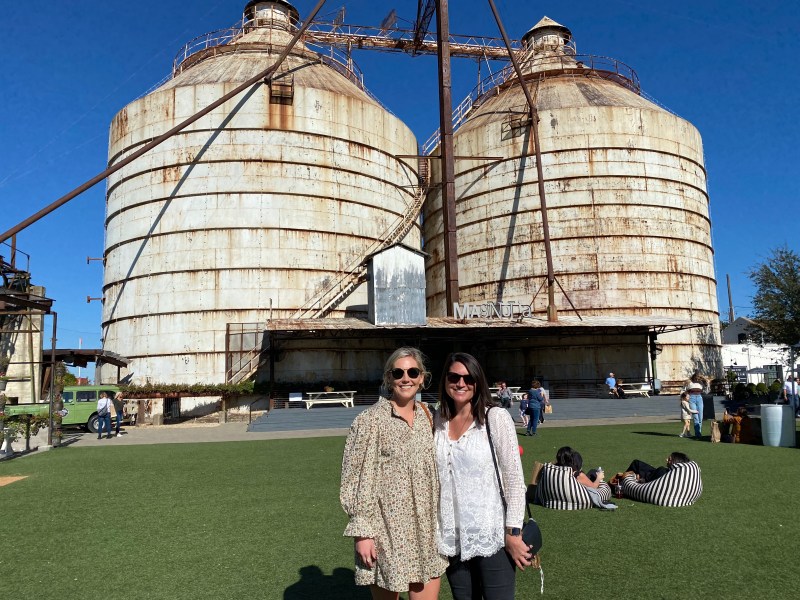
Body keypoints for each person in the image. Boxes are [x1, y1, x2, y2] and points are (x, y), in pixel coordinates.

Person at [340, 347, 446, 600]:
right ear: (389, 378)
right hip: (387, 530)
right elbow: (355, 479)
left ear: (422, 378)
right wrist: (363, 533)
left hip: (427, 528)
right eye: (398, 372)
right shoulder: (370, 420)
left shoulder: (429, 417)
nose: (405, 378)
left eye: (412, 372)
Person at [434, 352, 530, 600]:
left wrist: (513, 533)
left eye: (468, 378)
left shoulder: (494, 418)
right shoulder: (438, 421)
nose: (461, 383)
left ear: (478, 382)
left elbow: (514, 480)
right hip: (452, 535)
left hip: (492, 534)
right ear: (445, 380)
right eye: (454, 376)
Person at [624, 452, 690, 483]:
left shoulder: (662, 471)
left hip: (651, 477)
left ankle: (621, 482)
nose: (666, 460)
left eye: (669, 459)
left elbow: (647, 481)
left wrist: (638, 480)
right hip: (656, 474)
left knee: (636, 463)